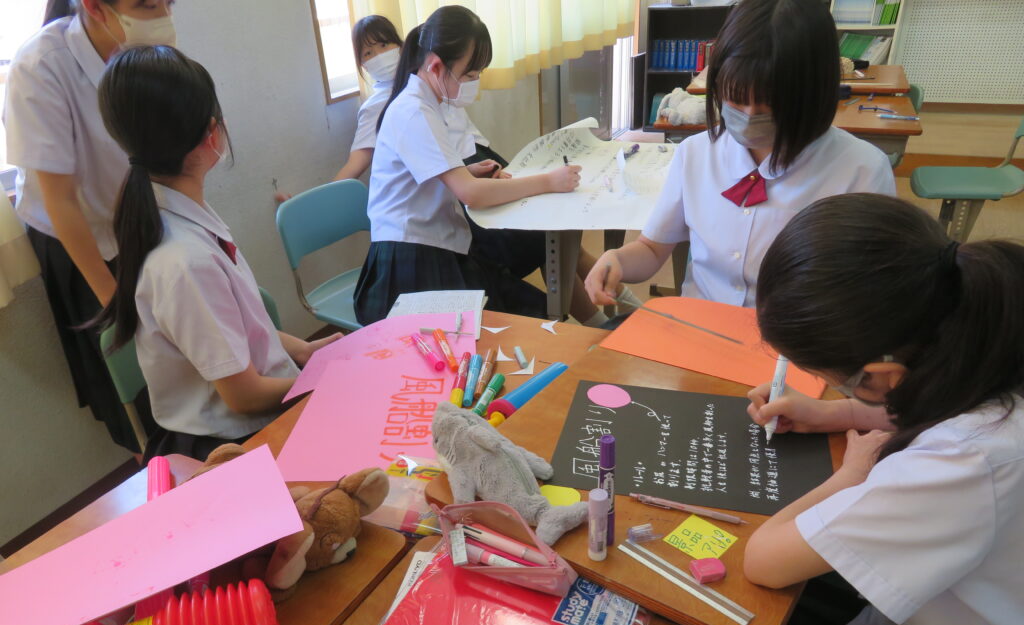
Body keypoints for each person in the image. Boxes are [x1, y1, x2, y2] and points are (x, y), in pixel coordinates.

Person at [745, 192, 1024, 625]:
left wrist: (849, 476)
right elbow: (950, 402)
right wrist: (841, 411)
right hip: (946, 621)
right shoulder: (990, 339)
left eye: (830, 379)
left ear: (882, 376)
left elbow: (763, 560)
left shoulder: (962, 464)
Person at [93, 45, 340, 462]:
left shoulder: (180, 215)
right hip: (230, 445)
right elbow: (244, 396)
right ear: (212, 134)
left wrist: (304, 352)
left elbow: (236, 326)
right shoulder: (184, 261)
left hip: (257, 409)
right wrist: (325, 382)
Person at [584, 0, 895, 311]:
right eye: (735, 97)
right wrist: (618, 260)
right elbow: (652, 250)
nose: (748, 114)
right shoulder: (696, 154)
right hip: (701, 326)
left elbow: (869, 296)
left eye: (769, 102)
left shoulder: (861, 172)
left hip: (796, 336)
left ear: (814, 93)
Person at [3, 0, 178, 452]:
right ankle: (159, 465)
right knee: (132, 386)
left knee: (179, 358)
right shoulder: (41, 65)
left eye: (168, 2)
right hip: (77, 242)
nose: (162, 14)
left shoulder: (142, 51)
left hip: (136, 218)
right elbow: (60, 202)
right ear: (95, 7)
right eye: (146, 4)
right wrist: (113, 301)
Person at [355, 5, 581, 325]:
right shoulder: (414, 111)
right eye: (470, 75)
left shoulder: (425, 101)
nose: (474, 82)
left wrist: (467, 171)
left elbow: (429, 176)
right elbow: (470, 194)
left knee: (540, 308)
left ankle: (600, 321)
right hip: (409, 263)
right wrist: (548, 181)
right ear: (436, 66)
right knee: (534, 319)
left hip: (433, 246)